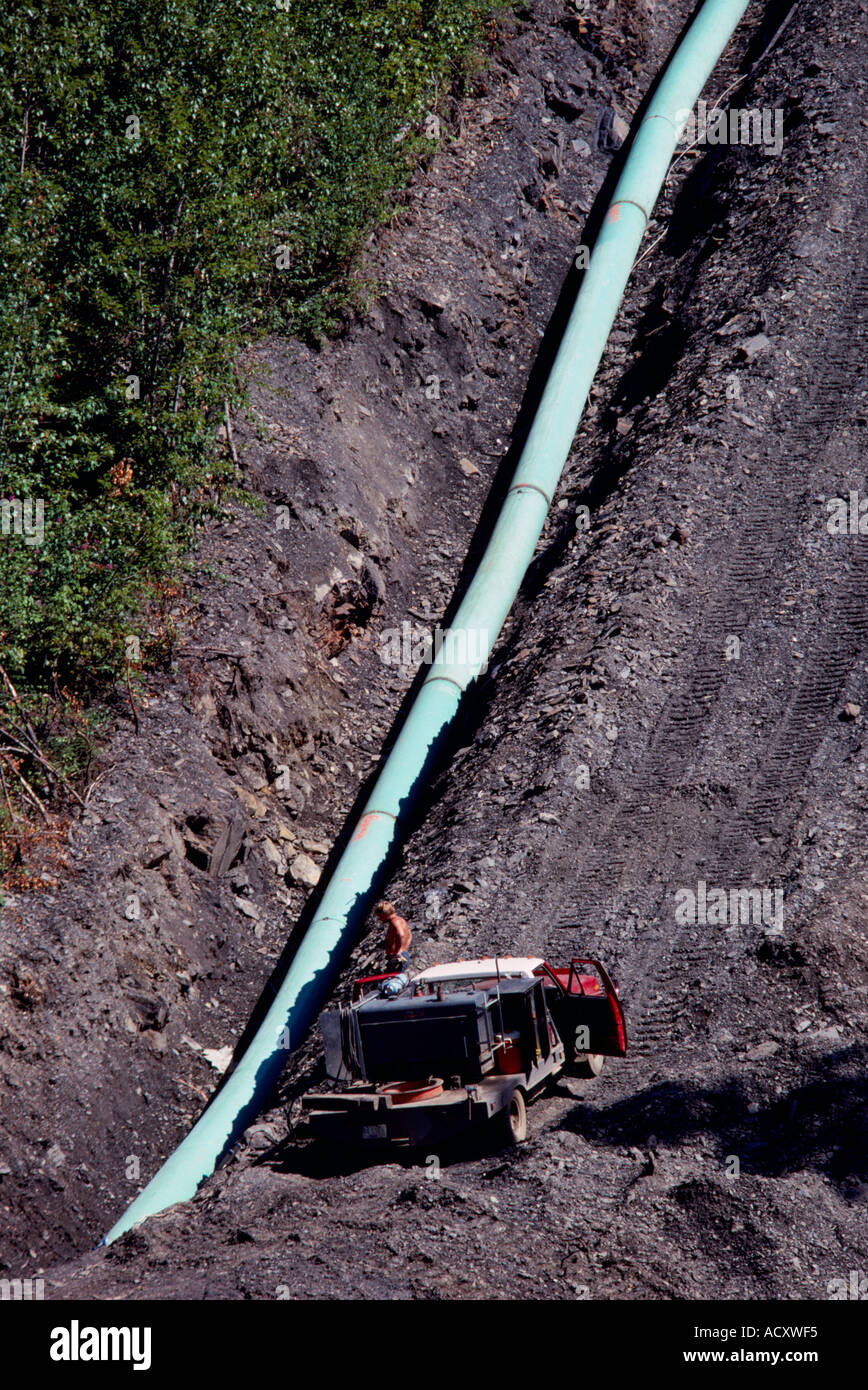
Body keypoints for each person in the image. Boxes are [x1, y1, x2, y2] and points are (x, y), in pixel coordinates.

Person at [375, 899, 412, 974]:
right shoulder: (400, 920)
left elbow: (401, 935)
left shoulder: (395, 922)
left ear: (384, 914)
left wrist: (398, 951)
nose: (380, 919)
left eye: (380, 916)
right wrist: (404, 949)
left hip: (398, 957)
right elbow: (410, 935)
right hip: (402, 955)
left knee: (394, 980)